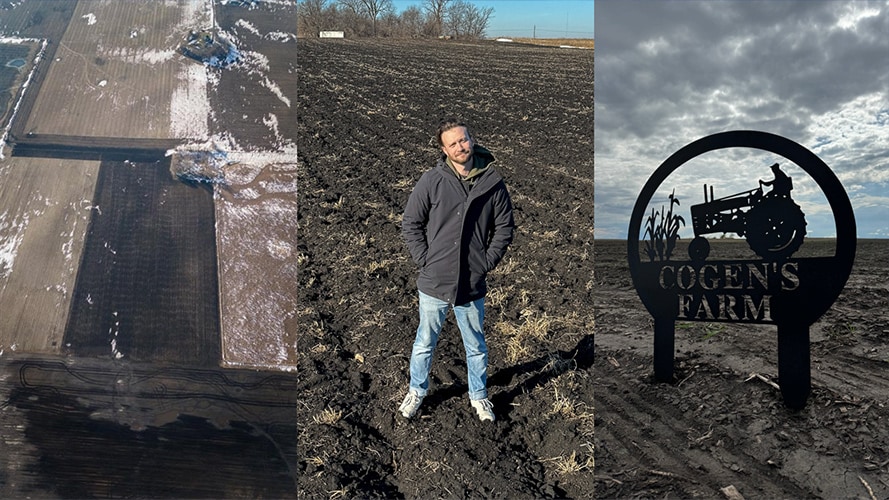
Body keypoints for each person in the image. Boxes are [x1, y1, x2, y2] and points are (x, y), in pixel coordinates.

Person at [399, 118, 515, 422]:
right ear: (444, 149)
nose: (461, 147)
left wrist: (486, 262)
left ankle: (479, 396)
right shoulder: (432, 181)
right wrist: (425, 259)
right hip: (434, 279)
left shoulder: (492, 183)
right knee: (425, 342)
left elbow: (504, 227)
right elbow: (411, 222)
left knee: (475, 345)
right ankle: (416, 391)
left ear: (472, 139)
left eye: (464, 140)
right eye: (453, 143)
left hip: (471, 282)